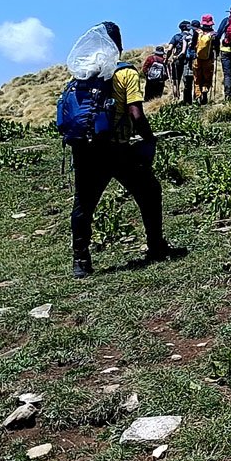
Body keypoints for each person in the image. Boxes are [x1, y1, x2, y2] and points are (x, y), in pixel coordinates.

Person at [61, 22, 183, 278]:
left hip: (84, 149)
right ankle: (156, 246)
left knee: (83, 205)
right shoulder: (126, 73)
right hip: (115, 148)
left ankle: (81, 261)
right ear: (118, 44)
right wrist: (149, 139)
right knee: (149, 191)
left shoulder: (82, 74)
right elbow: (136, 114)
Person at [192, 14, 217, 105]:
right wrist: (216, 55)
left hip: (197, 59)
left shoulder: (197, 32)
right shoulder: (214, 34)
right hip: (209, 59)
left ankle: (198, 95)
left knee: (197, 78)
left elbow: (192, 45)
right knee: (207, 77)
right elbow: (216, 46)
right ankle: (205, 89)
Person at [168, 21, 193, 102]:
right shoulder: (192, 37)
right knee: (188, 82)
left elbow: (169, 49)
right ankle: (188, 100)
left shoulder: (176, 37)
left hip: (177, 60)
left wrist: (167, 59)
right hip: (189, 61)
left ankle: (176, 99)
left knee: (176, 81)